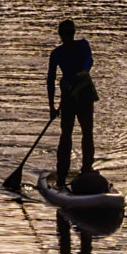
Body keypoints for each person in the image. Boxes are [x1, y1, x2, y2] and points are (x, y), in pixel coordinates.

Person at [47, 18, 98, 185]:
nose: (68, 36)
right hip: (68, 98)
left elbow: (89, 60)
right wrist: (52, 106)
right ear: (61, 35)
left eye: (70, 33)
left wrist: (84, 70)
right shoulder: (57, 54)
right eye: (66, 34)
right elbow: (51, 79)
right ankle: (62, 174)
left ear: (73, 33)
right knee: (66, 135)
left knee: (87, 133)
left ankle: (87, 169)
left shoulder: (83, 45)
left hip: (84, 95)